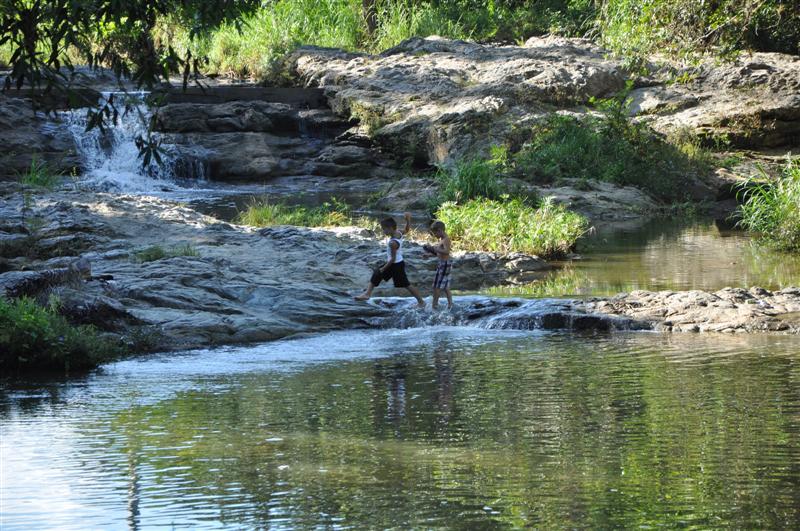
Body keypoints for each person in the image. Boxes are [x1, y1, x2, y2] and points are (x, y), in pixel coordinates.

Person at [355, 212, 425, 308]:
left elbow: (392, 259)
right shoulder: (398, 232)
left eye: (384, 229)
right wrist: (408, 220)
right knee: (376, 274)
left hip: (396, 265)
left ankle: (421, 302)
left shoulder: (393, 243)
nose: (383, 231)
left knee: (406, 284)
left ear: (391, 228)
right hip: (395, 264)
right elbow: (407, 230)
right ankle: (367, 294)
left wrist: (383, 268)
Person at [424, 220, 453, 310]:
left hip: (445, 264)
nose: (435, 235)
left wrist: (435, 249)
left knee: (436, 286)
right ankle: (450, 304)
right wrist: (429, 254)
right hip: (442, 264)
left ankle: (434, 306)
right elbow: (440, 253)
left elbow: (447, 252)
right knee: (445, 286)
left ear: (440, 230)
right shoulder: (442, 240)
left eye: (435, 233)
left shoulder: (446, 239)